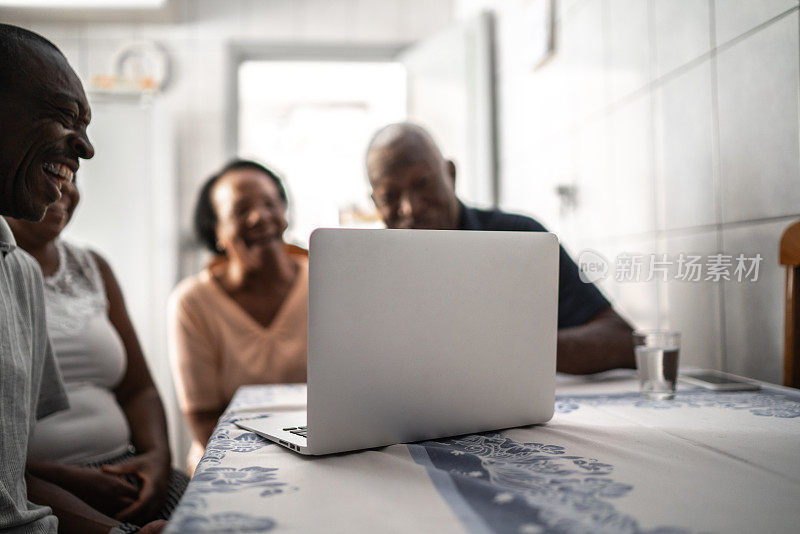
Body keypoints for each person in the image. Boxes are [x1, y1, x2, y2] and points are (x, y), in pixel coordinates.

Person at [0, 24, 165, 534]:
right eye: (62, 116)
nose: (86, 151)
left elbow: (7, 487)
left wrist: (156, 460)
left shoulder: (16, 270)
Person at [365, 122, 635, 375]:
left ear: (450, 174)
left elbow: (622, 340)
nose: (411, 207)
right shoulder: (365, 270)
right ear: (375, 204)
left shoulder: (520, 238)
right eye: (390, 196)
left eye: (422, 183)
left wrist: (508, 350)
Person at [5, 174, 189, 529]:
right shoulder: (7, 272)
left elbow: (139, 389)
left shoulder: (92, 267)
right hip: (34, 488)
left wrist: (157, 458)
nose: (63, 188)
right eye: (48, 168)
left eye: (70, 175)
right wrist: (70, 479)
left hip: (125, 469)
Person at [169, 160, 308, 471]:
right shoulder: (192, 302)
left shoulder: (326, 282)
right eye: (241, 210)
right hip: (229, 463)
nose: (261, 217)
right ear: (217, 232)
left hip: (319, 454)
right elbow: (204, 419)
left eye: (271, 203)